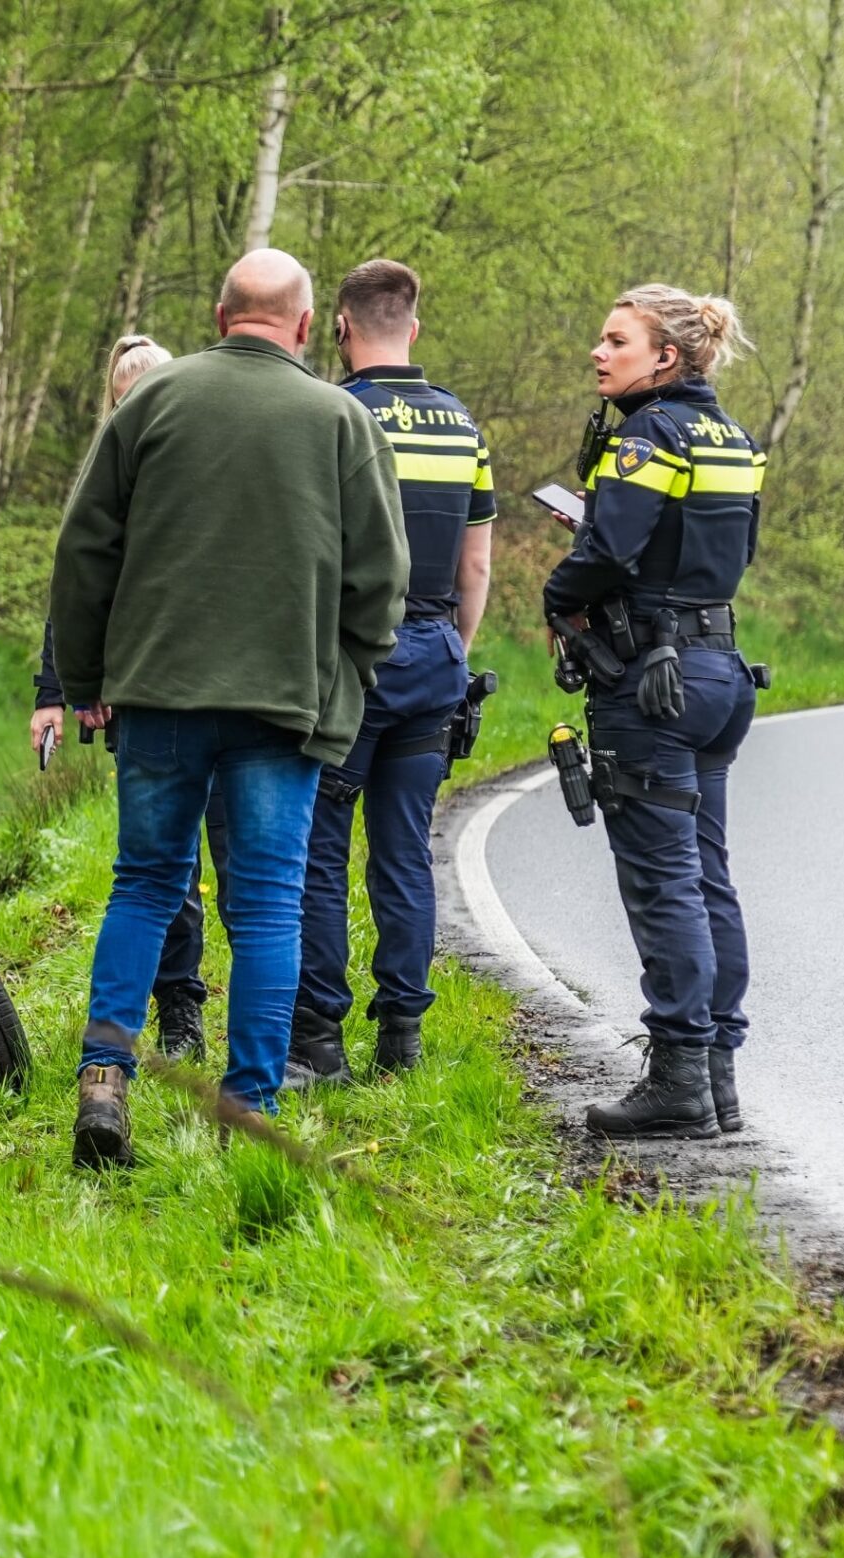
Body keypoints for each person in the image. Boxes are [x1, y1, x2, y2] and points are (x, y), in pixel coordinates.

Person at [51, 249, 408, 1169]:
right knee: (267, 908)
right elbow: (383, 581)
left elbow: (84, 551)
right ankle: (248, 1112)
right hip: (283, 704)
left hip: (159, 694)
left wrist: (87, 681)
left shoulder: (150, 405)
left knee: (144, 883)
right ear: (300, 326)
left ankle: (105, 1078)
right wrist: (345, 680)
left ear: (218, 317)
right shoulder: (339, 420)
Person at [543, 284, 764, 1140]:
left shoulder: (649, 435)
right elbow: (736, 550)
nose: (598, 354)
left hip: (652, 682)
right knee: (707, 874)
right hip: (717, 669)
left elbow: (607, 550)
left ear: (665, 357)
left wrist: (556, 593)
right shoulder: (731, 437)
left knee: (664, 880)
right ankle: (718, 1077)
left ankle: (677, 1076)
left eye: (616, 341)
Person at [288, 260, 496, 1083]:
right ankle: (402, 1037)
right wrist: (454, 650)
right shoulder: (461, 426)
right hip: (435, 659)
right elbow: (475, 567)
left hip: (350, 663)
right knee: (405, 851)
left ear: (340, 326)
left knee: (319, 853)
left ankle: (320, 1042)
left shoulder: (333, 413)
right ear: (413, 325)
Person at [31, 334, 229, 1063]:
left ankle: (270, 1038)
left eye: (151, 388)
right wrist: (61, 690)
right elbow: (74, 588)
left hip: (223, 692)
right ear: (115, 403)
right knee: (162, 871)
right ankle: (178, 1009)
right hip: (142, 700)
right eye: (127, 394)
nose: (138, 403)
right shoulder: (106, 474)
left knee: (232, 867)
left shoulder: (208, 463)